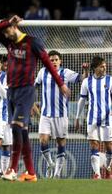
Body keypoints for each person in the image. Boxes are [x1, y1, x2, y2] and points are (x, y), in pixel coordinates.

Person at [0, 15, 70, 182]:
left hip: (26, 91)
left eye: (7, 31)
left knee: (17, 127)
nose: (5, 34)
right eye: (4, 32)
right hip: (11, 91)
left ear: (15, 28)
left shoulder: (33, 42)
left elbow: (47, 62)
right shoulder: (9, 43)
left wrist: (61, 84)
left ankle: (12, 169)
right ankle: (31, 172)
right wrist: (8, 23)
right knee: (21, 131)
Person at [35, 50, 89, 178]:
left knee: (61, 143)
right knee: (43, 140)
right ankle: (50, 163)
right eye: (51, 60)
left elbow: (82, 79)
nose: (53, 62)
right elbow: (34, 86)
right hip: (45, 114)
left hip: (61, 115)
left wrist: (86, 71)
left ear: (60, 61)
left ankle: (57, 174)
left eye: (56, 60)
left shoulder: (66, 73)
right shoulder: (42, 72)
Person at [74, 56, 112, 179]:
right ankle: (97, 174)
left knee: (109, 147)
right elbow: (82, 100)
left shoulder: (111, 80)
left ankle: (108, 166)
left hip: (107, 118)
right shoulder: (86, 82)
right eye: (101, 66)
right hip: (92, 118)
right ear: (95, 68)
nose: (104, 67)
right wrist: (78, 117)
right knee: (94, 144)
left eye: (104, 65)